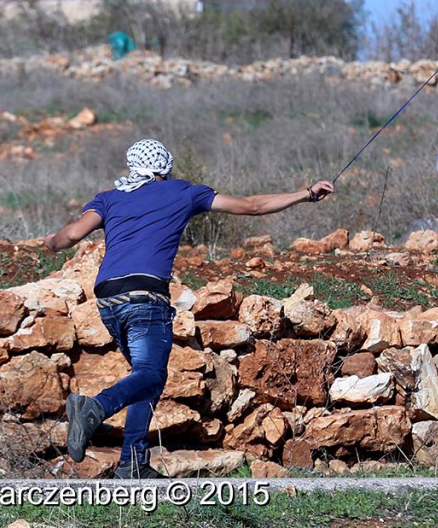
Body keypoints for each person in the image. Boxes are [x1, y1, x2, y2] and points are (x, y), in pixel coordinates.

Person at [44, 138, 334, 479]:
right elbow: (253, 206)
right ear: (165, 168)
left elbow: (71, 236)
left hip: (108, 300)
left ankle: (132, 463)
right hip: (145, 297)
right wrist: (307, 193)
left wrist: (49, 242)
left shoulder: (110, 197)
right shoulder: (183, 192)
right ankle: (94, 408)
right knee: (150, 375)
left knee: (146, 377)